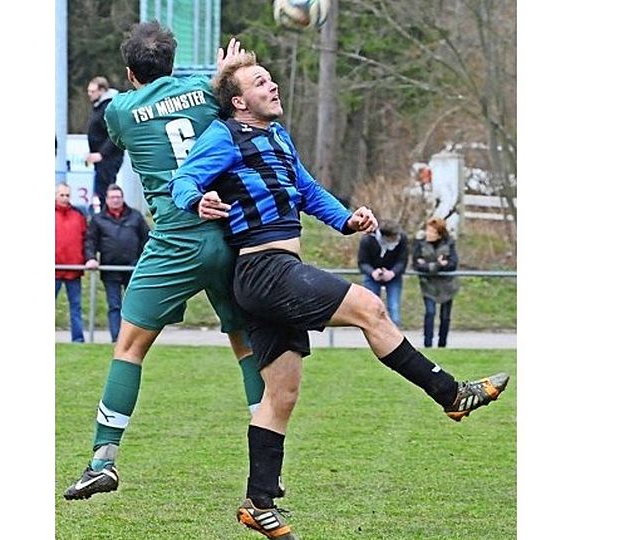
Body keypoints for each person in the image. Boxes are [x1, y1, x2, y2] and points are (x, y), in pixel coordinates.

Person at [169, 52, 510, 540]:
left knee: (281, 394)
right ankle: (451, 393)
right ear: (240, 102)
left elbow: (307, 190)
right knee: (371, 308)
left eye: (271, 78)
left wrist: (347, 219)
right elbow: (184, 178)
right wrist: (195, 199)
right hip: (265, 269)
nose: (273, 85)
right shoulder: (225, 134)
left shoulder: (278, 138)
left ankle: (257, 503)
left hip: (274, 274)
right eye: (260, 82)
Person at [62, 24, 267, 501]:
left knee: (129, 348)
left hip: (174, 236)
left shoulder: (120, 109)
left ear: (130, 72)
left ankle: (103, 461)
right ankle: (267, 467)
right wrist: (224, 74)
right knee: (246, 346)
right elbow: (226, 97)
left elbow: (127, 131)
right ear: (173, 63)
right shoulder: (205, 91)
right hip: (227, 232)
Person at [85, 184, 150, 342]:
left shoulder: (135, 216)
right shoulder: (98, 219)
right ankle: (117, 339)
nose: (115, 200)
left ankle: (133, 340)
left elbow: (147, 239)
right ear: (106, 200)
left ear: (122, 198)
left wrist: (144, 260)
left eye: (118, 197)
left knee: (133, 307)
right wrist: (91, 258)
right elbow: (90, 241)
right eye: (112, 197)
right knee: (114, 305)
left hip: (133, 269)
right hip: (110, 269)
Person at [413, 217, 460, 347]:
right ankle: (427, 343)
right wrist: (437, 265)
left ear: (439, 234)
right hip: (428, 285)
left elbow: (452, 264)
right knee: (430, 312)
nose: (428, 234)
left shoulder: (449, 243)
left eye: (432, 232)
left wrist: (429, 265)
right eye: (427, 231)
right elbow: (417, 264)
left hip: (447, 286)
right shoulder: (419, 243)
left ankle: (442, 344)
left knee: (445, 316)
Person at [357, 219, 408, 327]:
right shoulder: (368, 240)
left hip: (393, 276)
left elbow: (402, 261)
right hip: (373, 277)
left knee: (394, 307)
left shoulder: (402, 239)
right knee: (371, 308)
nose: (396, 239)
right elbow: (362, 262)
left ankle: (395, 338)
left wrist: (392, 273)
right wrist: (372, 272)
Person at [86, 76, 125, 210]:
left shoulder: (108, 107)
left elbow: (114, 133)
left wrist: (102, 154)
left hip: (109, 159)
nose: (89, 94)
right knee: (101, 192)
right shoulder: (99, 107)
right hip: (101, 159)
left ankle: (109, 218)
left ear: (102, 90)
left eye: (92, 91)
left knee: (105, 191)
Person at [55, 183, 88, 343]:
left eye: (67, 195)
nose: (64, 198)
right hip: (54, 270)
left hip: (73, 270)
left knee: (76, 307)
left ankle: (78, 339)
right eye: (61, 195)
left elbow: (85, 239)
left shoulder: (78, 215)